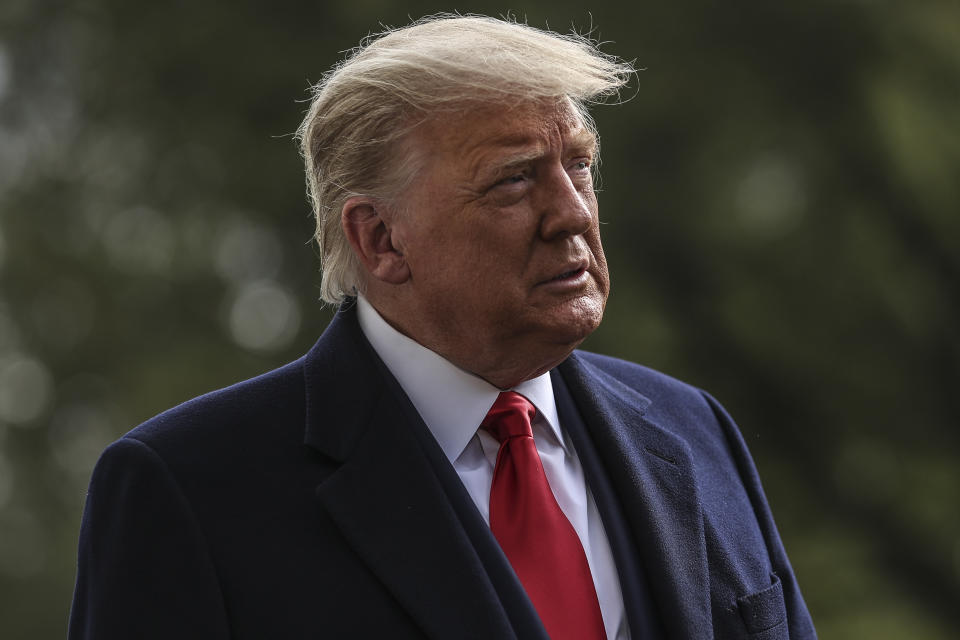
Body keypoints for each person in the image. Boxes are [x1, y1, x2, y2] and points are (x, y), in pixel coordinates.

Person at [68, 15, 816, 640]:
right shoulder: (188, 490)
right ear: (381, 240)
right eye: (515, 178)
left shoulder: (696, 430)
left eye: (579, 165)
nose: (574, 213)